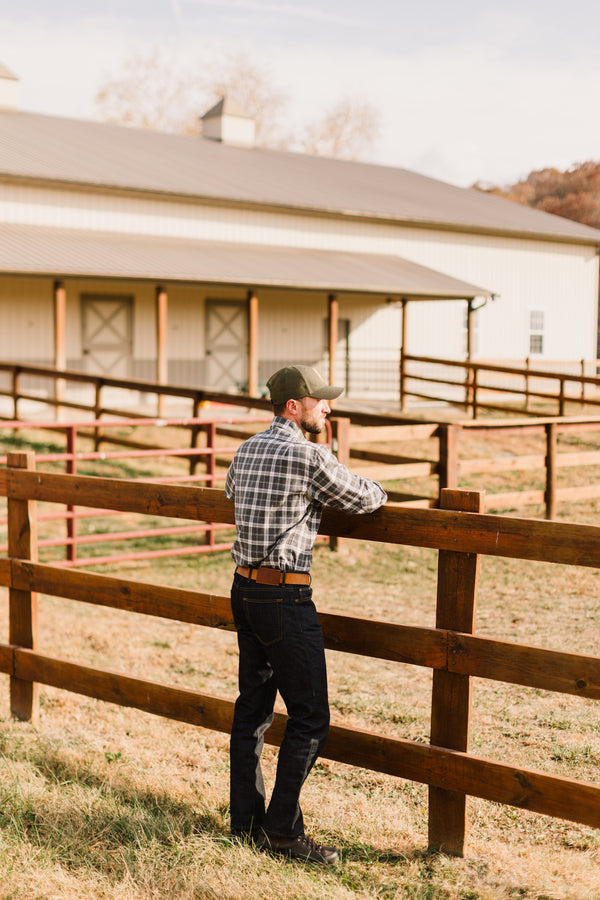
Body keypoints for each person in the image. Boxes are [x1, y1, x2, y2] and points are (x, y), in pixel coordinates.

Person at [225, 364, 387, 865]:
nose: (328, 408)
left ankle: (246, 823)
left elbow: (231, 493)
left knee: (252, 710)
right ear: (293, 407)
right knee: (311, 716)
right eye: (320, 401)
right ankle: (282, 833)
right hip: (283, 596)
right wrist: (379, 488)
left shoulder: (246, 449)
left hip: (244, 587)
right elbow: (365, 498)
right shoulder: (310, 455)